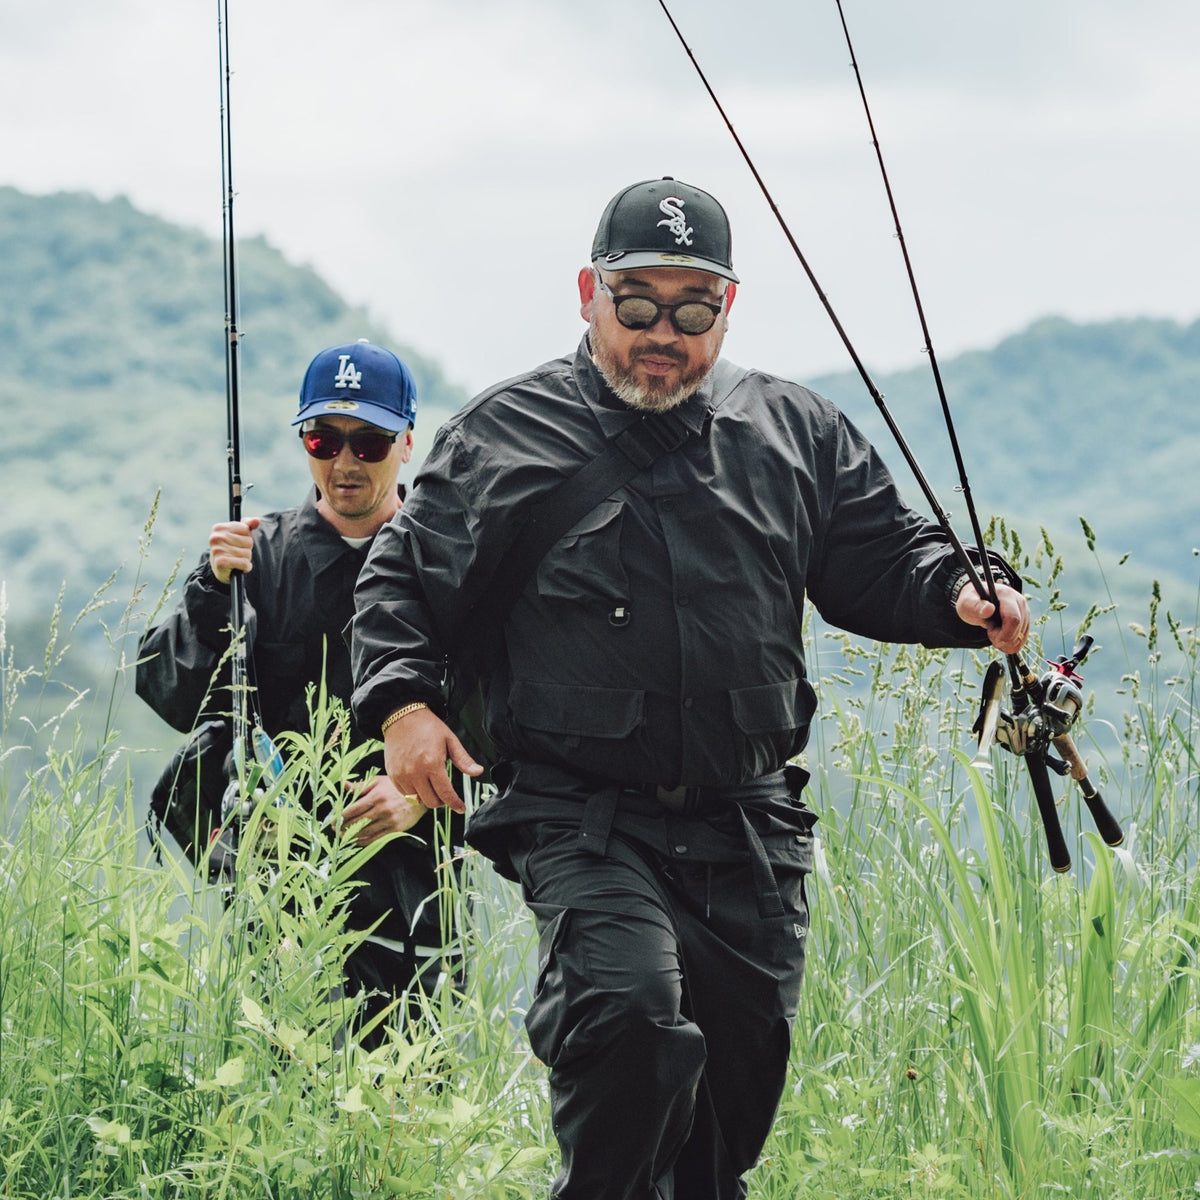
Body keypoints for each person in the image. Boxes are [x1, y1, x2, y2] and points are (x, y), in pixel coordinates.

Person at [348, 179, 1030, 1198]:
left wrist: (959, 591)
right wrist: (404, 709)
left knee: (724, 1131)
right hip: (581, 818)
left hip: (749, 830)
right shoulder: (503, 435)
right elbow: (399, 582)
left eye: (692, 308)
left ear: (727, 308)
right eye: (637, 305)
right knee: (627, 1018)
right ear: (589, 293)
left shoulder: (796, 434)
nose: (661, 333)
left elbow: (885, 561)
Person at [138, 338, 462, 1042]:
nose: (344, 461)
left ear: (408, 443)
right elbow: (167, 691)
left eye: (369, 441)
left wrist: (416, 793)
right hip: (277, 882)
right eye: (323, 436)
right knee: (278, 1076)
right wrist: (208, 590)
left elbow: (500, 717)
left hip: (413, 880)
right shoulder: (257, 555)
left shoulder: (447, 564)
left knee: (407, 1094)